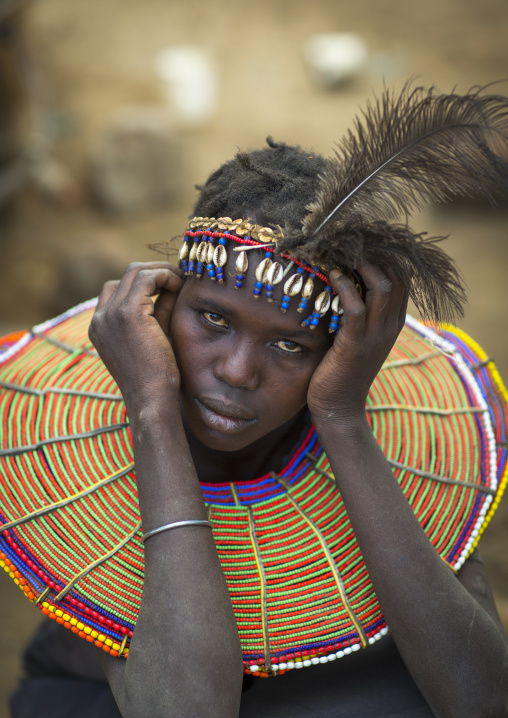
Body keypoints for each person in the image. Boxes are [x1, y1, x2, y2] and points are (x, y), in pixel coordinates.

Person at [5, 85, 508, 718]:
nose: (238, 372)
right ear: (166, 304)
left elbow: (482, 700)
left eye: (292, 346)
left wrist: (343, 419)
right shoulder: (79, 464)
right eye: (212, 318)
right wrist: (152, 408)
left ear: (342, 355)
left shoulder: (404, 448)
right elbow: (187, 709)